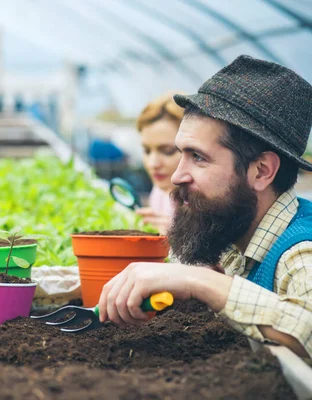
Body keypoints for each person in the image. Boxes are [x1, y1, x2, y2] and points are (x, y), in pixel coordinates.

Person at [98, 55, 312, 358]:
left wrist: (199, 281)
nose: (176, 175)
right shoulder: (235, 234)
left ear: (262, 171)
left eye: (198, 157)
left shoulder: (301, 253)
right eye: (181, 153)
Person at [134, 92, 184, 234]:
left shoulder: (210, 204)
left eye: (168, 151)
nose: (153, 164)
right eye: (147, 151)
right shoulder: (159, 192)